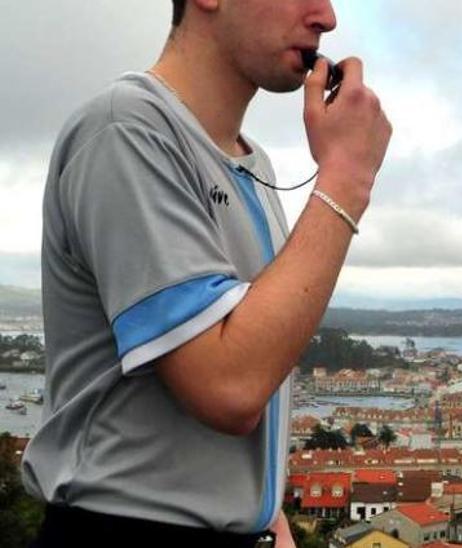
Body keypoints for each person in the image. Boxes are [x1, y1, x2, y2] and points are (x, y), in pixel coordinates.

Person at [22, 0, 391, 546]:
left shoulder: (254, 164)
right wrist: (346, 179)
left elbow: (254, 360)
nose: (327, 18)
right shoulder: (125, 129)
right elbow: (228, 386)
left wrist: (268, 518)